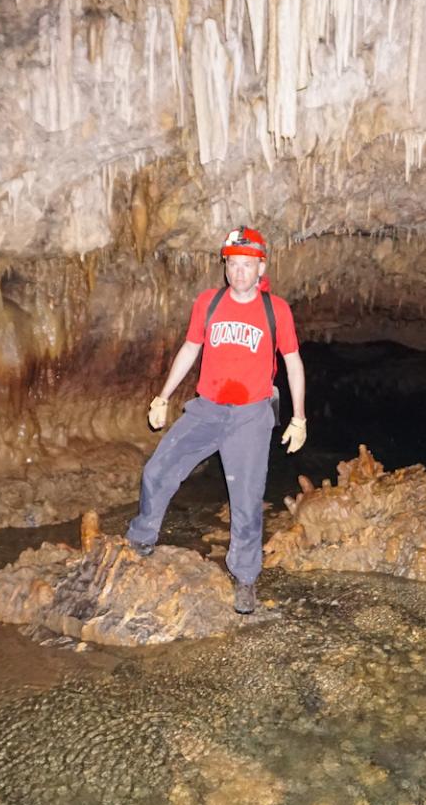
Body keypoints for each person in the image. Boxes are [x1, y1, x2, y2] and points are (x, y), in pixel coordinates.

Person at [125, 226, 308, 615]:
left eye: (248, 264)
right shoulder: (208, 303)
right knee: (158, 469)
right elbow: (190, 348)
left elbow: (293, 363)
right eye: (233, 264)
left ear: (261, 267)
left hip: (251, 416)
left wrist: (300, 418)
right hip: (207, 408)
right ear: (225, 265)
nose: (240, 272)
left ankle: (244, 577)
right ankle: (141, 536)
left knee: (245, 501)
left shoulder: (276, 310)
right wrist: (162, 396)